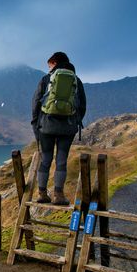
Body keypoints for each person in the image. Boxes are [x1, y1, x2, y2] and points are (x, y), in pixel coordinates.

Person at [31, 52, 86, 204]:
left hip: (46, 126)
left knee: (46, 159)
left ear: (55, 63)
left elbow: (36, 103)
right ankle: (58, 195)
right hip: (67, 127)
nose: (48, 68)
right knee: (61, 160)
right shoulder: (76, 81)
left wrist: (36, 124)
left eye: (50, 65)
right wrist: (75, 121)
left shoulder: (46, 79)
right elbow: (82, 105)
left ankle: (42, 193)